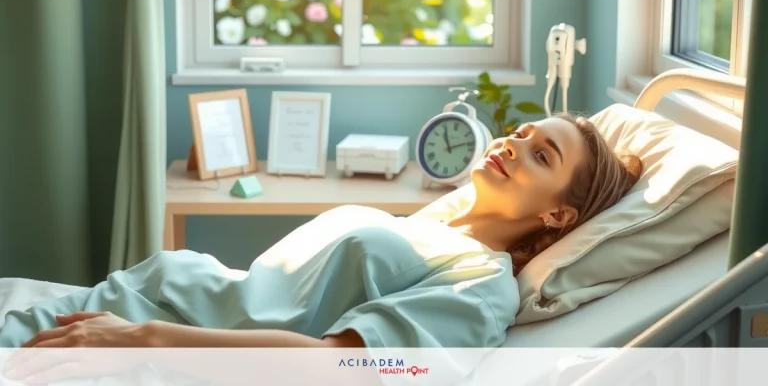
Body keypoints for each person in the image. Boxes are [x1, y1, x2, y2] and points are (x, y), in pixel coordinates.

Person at [0, 114, 642, 353]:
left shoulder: (482, 287)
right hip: (137, 298)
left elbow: (346, 367)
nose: (514, 143)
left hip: (149, 337)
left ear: (559, 216)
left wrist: (143, 339)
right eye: (524, 134)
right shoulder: (430, 224)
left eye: (543, 156)